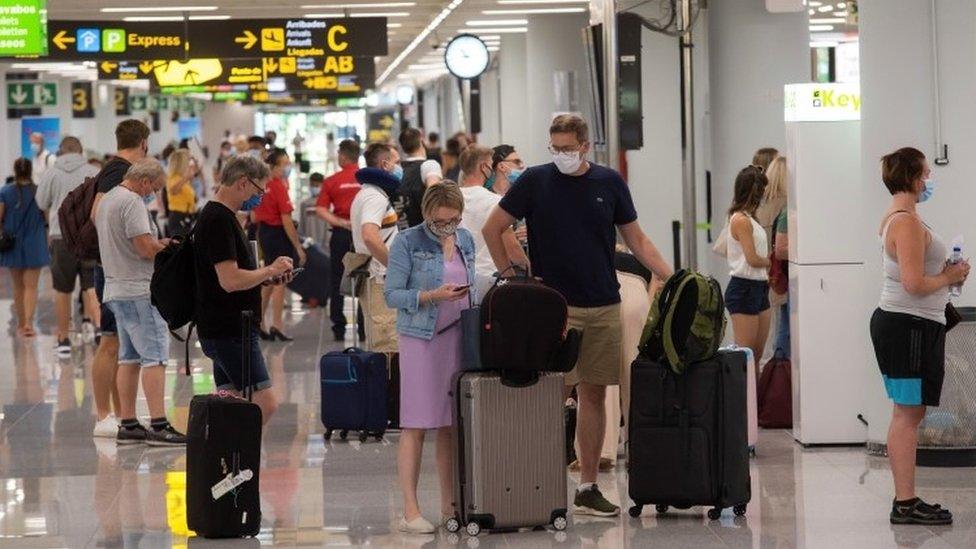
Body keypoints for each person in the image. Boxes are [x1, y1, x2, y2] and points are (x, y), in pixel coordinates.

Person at [482, 114, 673, 517]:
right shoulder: (535, 180)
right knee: (546, 393)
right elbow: (493, 227)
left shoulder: (609, 183)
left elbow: (636, 238)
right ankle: (536, 479)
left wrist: (669, 276)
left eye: (568, 148)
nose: (562, 155)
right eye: (555, 148)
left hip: (604, 301)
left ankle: (587, 486)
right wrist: (513, 277)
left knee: (595, 392)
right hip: (554, 307)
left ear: (585, 146)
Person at [870, 147, 968, 525]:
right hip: (906, 326)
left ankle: (906, 498)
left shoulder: (905, 217)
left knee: (911, 411)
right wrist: (949, 277)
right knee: (908, 414)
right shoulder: (905, 222)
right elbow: (913, 284)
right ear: (912, 178)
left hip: (913, 324)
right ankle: (905, 502)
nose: (930, 180)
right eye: (926, 174)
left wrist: (946, 274)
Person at [384, 182, 477, 534]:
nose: (447, 228)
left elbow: (472, 279)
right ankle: (410, 508)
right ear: (426, 215)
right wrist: (431, 295)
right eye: (440, 222)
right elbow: (392, 294)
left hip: (457, 337)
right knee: (416, 423)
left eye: (453, 220)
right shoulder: (408, 242)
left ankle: (450, 504)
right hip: (421, 339)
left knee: (449, 424)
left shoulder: (466, 239)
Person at [194, 155, 294, 425]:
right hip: (230, 329)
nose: (259, 198)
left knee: (231, 400)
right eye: (259, 190)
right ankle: (236, 456)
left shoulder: (221, 216)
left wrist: (264, 279)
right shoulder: (219, 220)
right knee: (264, 402)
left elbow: (229, 277)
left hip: (222, 326)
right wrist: (270, 270)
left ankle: (225, 459)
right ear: (242, 183)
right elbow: (229, 281)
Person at [92, 158, 185, 446]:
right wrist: (165, 246)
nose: (154, 194)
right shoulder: (132, 202)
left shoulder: (107, 200)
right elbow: (144, 249)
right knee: (155, 357)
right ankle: (159, 424)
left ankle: (129, 423)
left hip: (116, 288)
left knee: (129, 358)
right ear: (144, 181)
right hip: (140, 291)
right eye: (154, 188)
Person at [90, 119, 151, 439]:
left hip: (114, 269)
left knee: (121, 345)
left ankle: (121, 415)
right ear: (143, 143)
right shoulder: (118, 171)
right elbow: (98, 213)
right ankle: (104, 415)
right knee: (110, 342)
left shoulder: (114, 169)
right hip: (114, 270)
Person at [35, 136, 100, 354]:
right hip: (89, 235)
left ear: (61, 151)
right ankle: (98, 328)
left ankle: (63, 338)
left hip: (61, 236)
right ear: (81, 151)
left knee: (62, 289)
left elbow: (41, 202)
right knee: (91, 284)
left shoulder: (51, 173)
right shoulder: (93, 171)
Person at [456, 145, 527, 298]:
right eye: (490, 165)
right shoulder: (494, 201)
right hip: (489, 280)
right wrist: (528, 270)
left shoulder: (452, 198)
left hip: (459, 279)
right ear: (483, 167)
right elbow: (512, 247)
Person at [350, 144, 402, 352]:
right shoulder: (374, 197)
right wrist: (397, 266)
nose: (399, 168)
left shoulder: (369, 193)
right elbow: (370, 237)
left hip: (377, 278)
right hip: (380, 279)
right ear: (385, 164)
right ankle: (388, 385)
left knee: (381, 339)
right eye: (396, 162)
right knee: (387, 343)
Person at [725, 166, 772, 379]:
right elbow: (752, 258)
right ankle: (744, 408)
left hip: (759, 286)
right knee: (747, 357)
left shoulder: (750, 218)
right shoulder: (741, 220)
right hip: (744, 287)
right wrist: (768, 261)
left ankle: (755, 406)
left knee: (758, 354)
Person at [253, 149, 305, 341]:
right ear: (273, 167)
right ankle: (277, 325)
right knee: (281, 280)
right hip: (278, 235)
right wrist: (298, 246)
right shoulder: (278, 186)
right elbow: (286, 220)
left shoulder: (261, 185)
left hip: (265, 233)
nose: (288, 167)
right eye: (285, 163)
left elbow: (253, 215)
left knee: (268, 278)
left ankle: (258, 322)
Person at [316, 139, 364, 341]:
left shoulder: (331, 181)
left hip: (341, 234)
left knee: (337, 279)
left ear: (343, 156)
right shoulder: (366, 178)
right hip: (364, 234)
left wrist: (340, 222)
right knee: (365, 278)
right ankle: (363, 327)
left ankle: (339, 327)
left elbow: (320, 210)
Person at [0, 157, 50, 338]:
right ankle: (29, 323)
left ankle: (21, 324)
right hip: (35, 243)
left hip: (12, 243)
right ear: (30, 171)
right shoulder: (39, 191)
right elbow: (46, 217)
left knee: (17, 286)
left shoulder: (5, 191)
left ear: (15, 170)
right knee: (31, 287)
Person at [763, 156, 790, 357]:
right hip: (782, 274)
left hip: (758, 274)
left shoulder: (757, 206)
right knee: (784, 328)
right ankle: (780, 377)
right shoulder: (790, 206)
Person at [398, 128, 429, 228]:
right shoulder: (429, 166)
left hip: (404, 230)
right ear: (421, 141)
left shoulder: (398, 171)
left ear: (402, 148)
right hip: (426, 230)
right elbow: (435, 196)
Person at [165, 149, 196, 238]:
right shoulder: (173, 178)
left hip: (187, 218)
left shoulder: (183, 180)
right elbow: (173, 190)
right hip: (178, 218)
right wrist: (186, 178)